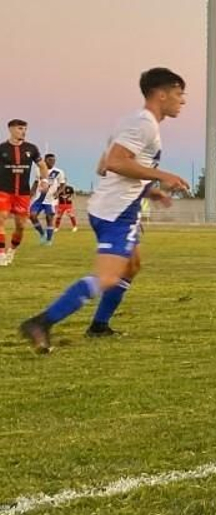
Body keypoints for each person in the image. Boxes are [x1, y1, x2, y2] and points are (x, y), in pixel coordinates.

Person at [20, 68, 190, 352]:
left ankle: (99, 326)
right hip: (116, 213)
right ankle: (42, 322)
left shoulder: (133, 121)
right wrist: (162, 175)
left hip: (117, 207)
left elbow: (103, 167)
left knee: (132, 266)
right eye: (178, 93)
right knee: (109, 276)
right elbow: (114, 162)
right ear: (161, 94)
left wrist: (150, 189)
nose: (182, 101)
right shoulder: (143, 124)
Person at [2, 119, 44, 267]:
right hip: (4, 191)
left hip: (23, 194)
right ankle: (1, 253)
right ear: (11, 129)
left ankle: (11, 250)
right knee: (1, 219)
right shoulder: (2, 148)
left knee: (20, 226)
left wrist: (44, 180)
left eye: (25, 129)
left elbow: (42, 165)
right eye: (20, 128)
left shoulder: (31, 148)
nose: (23, 131)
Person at [30, 154, 66, 245]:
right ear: (45, 160)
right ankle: (42, 234)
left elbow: (63, 184)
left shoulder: (58, 172)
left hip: (50, 200)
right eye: (50, 160)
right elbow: (36, 182)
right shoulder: (39, 170)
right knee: (32, 216)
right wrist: (32, 192)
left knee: (49, 218)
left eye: (53, 160)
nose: (52, 162)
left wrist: (58, 193)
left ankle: (49, 240)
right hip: (39, 198)